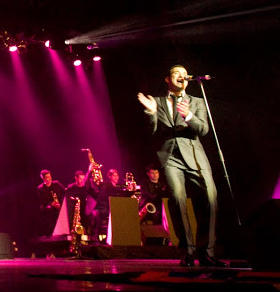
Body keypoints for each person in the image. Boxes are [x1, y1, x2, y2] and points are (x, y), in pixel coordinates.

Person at [137, 64, 226, 267]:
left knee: (210, 198)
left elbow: (203, 129)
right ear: (168, 79)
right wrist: (151, 112)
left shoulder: (197, 101)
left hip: (195, 156)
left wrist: (189, 116)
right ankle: (187, 251)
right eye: (177, 73)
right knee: (177, 199)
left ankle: (207, 252)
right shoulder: (157, 102)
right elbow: (151, 131)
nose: (182, 76)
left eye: (185, 74)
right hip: (170, 157)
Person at [90, 168, 133, 242]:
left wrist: (131, 191)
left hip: (113, 208)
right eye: (114, 176)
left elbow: (123, 196)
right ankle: (96, 237)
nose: (116, 177)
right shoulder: (106, 185)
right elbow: (104, 196)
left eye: (117, 175)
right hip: (103, 208)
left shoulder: (118, 188)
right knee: (98, 215)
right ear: (110, 177)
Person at [65, 168, 95, 234]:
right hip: (74, 211)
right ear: (76, 178)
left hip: (84, 211)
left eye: (83, 179)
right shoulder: (71, 187)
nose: (82, 181)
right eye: (80, 179)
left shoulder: (85, 187)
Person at [37, 169, 66, 236]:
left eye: (50, 176)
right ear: (43, 178)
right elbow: (41, 201)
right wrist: (51, 203)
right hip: (48, 206)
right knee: (49, 209)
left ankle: (63, 231)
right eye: (47, 177)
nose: (50, 178)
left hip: (59, 204)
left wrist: (61, 203)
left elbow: (64, 191)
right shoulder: (40, 188)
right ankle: (51, 232)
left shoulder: (56, 184)